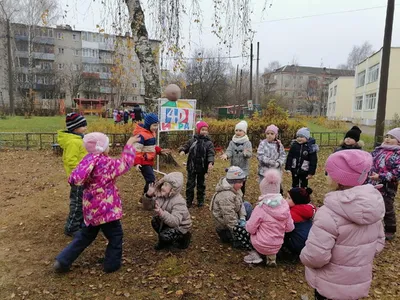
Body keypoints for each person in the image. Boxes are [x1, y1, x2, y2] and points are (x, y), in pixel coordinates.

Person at [300, 150, 385, 300]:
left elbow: (316, 256)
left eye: (328, 173)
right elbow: (378, 243)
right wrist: (358, 258)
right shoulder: (374, 206)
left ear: (337, 179)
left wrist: (304, 257)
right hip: (357, 282)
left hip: (329, 284)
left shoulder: (328, 213)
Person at [53, 133, 139, 273]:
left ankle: (63, 260)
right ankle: (112, 265)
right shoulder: (105, 163)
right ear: (102, 148)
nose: (109, 148)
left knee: (85, 235)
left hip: (91, 208)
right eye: (108, 145)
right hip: (106, 209)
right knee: (116, 235)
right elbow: (125, 164)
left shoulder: (87, 160)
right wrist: (129, 145)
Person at [243, 169, 294, 266]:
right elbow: (290, 228)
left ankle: (257, 254)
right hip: (277, 244)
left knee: (249, 231)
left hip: (261, 243)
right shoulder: (285, 206)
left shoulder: (261, 207)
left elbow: (250, 228)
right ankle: (271, 258)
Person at [141, 172, 192, 250]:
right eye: (163, 184)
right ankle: (165, 238)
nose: (162, 187)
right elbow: (147, 207)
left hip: (180, 227)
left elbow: (175, 221)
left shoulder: (179, 202)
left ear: (173, 189)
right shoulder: (161, 195)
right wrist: (148, 195)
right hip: (168, 222)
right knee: (155, 221)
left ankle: (184, 238)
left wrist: (161, 212)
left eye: (166, 185)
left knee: (165, 235)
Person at [57, 112, 88, 237]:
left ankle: (80, 223)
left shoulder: (79, 139)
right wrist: (81, 173)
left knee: (83, 200)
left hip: (84, 176)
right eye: (83, 125)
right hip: (78, 179)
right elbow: (71, 161)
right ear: (75, 128)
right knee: (77, 202)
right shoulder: (73, 142)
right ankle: (71, 227)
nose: (86, 128)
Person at [367, 128, 400, 241]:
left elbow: (397, 172)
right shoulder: (379, 150)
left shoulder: (398, 154)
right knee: (371, 204)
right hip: (372, 183)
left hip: (387, 187)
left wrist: (381, 176)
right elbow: (369, 161)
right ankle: (372, 226)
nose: (387, 139)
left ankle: (390, 229)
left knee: (387, 207)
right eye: (387, 136)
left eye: (392, 138)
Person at [210, 166, 253, 248]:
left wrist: (242, 218)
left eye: (242, 182)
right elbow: (229, 219)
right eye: (239, 182)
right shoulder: (226, 196)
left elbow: (241, 204)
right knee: (247, 237)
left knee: (246, 205)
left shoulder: (235, 189)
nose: (242, 184)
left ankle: (249, 227)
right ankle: (235, 239)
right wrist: (238, 232)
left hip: (234, 218)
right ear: (232, 182)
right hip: (225, 228)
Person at [133, 113, 170, 199]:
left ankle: (144, 197)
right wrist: (137, 163)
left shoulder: (152, 133)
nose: (156, 127)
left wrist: (159, 151)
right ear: (148, 124)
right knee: (151, 180)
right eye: (154, 125)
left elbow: (151, 147)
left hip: (149, 161)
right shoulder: (141, 135)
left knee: (150, 180)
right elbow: (137, 150)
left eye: (157, 125)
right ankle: (147, 198)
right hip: (143, 162)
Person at [179, 121, 215, 207]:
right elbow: (186, 146)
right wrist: (183, 150)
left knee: (201, 185)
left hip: (202, 168)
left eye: (206, 130)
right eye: (202, 129)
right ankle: (189, 200)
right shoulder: (192, 140)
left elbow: (211, 153)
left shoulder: (209, 143)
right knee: (190, 184)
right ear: (198, 130)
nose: (204, 131)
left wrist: (210, 162)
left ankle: (200, 200)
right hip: (192, 166)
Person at [221, 120, 252, 195]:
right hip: (233, 168)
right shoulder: (232, 142)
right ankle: (233, 196)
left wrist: (246, 153)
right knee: (233, 183)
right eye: (236, 130)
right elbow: (229, 151)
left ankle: (241, 198)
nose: (238, 132)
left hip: (243, 168)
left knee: (241, 184)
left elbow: (250, 154)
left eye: (240, 130)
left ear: (244, 132)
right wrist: (226, 155)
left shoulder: (247, 142)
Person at [283, 187, 316, 257]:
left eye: (289, 198)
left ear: (297, 201)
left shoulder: (291, 214)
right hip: (310, 243)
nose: (285, 200)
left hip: (297, 245)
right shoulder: (308, 209)